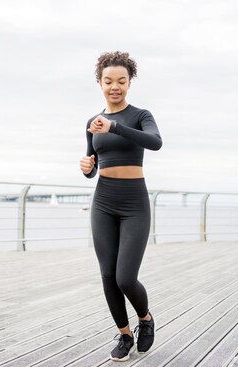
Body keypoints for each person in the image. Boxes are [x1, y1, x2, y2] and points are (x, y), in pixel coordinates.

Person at [80, 51, 162, 361]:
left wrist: (114, 127)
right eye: (108, 81)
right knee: (106, 275)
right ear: (99, 83)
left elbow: (155, 142)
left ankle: (145, 319)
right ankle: (124, 334)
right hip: (103, 200)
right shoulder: (92, 122)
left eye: (121, 81)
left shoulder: (141, 116)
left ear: (129, 82)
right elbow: (93, 164)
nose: (115, 86)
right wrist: (87, 167)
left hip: (134, 202)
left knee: (125, 277)